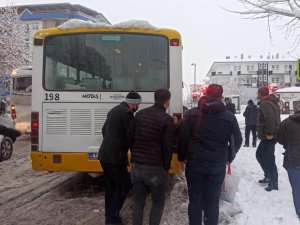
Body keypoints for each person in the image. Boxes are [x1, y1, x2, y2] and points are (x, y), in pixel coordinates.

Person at [178, 84, 242, 225]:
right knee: (212, 202)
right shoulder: (229, 117)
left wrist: (181, 158)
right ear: (221, 96)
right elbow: (237, 140)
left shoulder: (192, 114)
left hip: (195, 164)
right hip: (216, 164)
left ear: (205, 94)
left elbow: (183, 137)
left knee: (194, 200)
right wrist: (228, 158)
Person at [128, 88, 174, 225]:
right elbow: (168, 147)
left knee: (138, 201)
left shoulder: (140, 115)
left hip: (137, 167)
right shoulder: (167, 119)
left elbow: (130, 137)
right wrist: (165, 168)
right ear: (167, 102)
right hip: (155, 168)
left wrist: (135, 156)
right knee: (158, 201)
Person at [98, 90, 142, 225]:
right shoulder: (127, 113)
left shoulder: (114, 110)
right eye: (138, 105)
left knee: (111, 186)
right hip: (116, 157)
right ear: (133, 104)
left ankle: (110, 215)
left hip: (104, 154)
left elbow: (104, 129)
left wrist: (111, 142)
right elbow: (131, 136)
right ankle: (112, 217)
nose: (138, 107)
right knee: (123, 185)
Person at [277, 102, 300, 219]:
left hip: (293, 158)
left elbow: (280, 139)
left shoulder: (286, 123)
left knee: (297, 188)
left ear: (294, 109)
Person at [256, 86, 281, 191]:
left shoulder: (265, 103)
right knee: (260, 155)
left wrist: (269, 133)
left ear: (261, 94)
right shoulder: (271, 102)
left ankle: (273, 182)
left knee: (268, 158)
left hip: (269, 135)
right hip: (270, 135)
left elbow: (270, 118)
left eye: (258, 93)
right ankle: (268, 176)